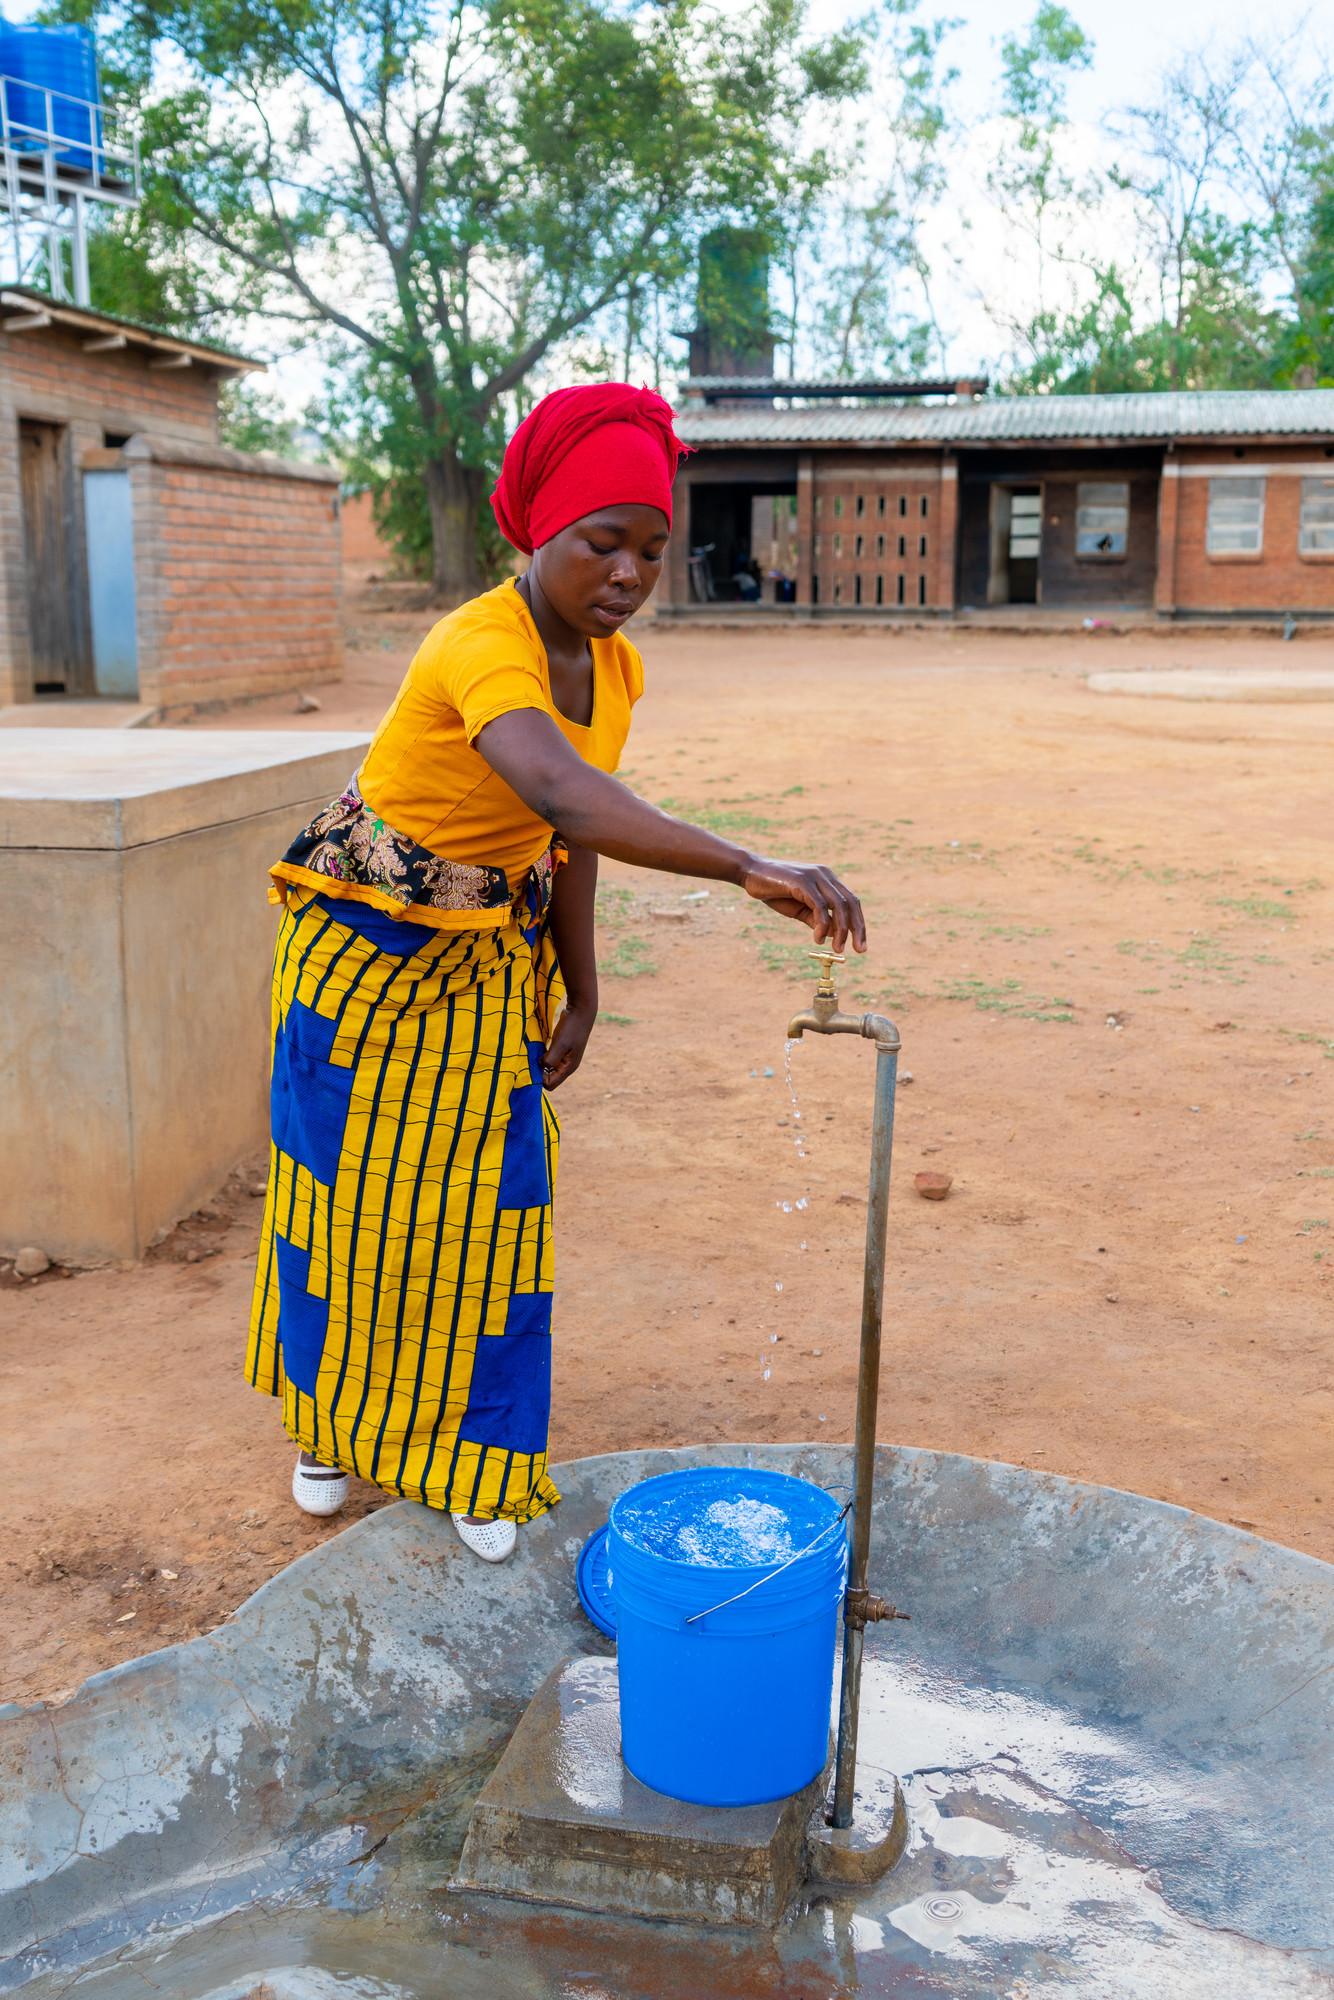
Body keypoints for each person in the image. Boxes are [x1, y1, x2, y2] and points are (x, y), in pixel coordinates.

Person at [246, 383, 865, 1563]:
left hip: (486, 952)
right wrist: (744, 863)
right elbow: (559, 787)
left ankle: (479, 1458)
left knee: (494, 1207)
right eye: (601, 541)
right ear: (538, 532)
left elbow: (569, 836)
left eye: (650, 547)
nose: (627, 571)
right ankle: (329, 1425)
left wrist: (584, 988)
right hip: (360, 952)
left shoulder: (615, 671)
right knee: (343, 1194)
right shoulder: (479, 640)